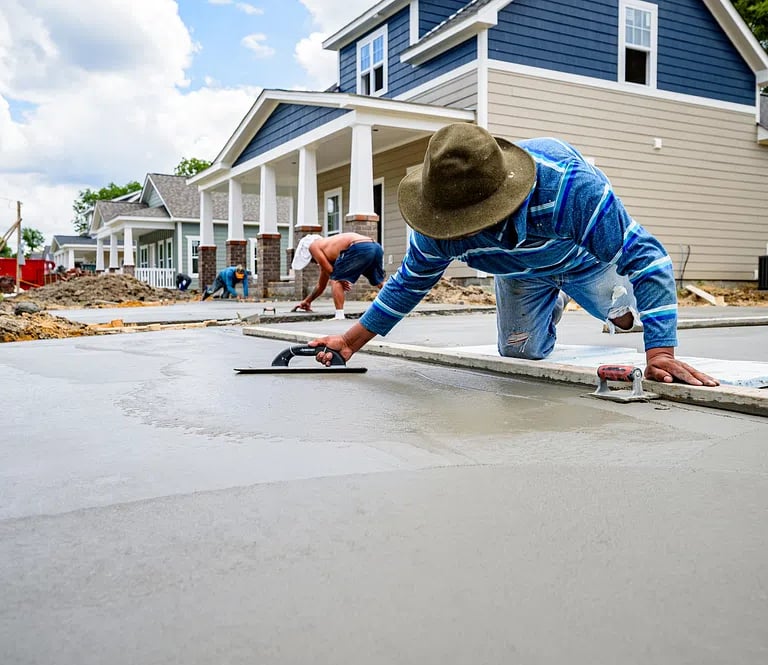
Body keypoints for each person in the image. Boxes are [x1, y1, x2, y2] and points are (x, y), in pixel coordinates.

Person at [309, 123, 719, 387]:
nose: (459, 234)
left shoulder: (570, 189)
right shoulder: (436, 219)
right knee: (521, 352)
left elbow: (648, 258)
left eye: (473, 223)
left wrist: (660, 353)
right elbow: (408, 284)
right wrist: (348, 342)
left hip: (585, 260)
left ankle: (585, 297)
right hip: (520, 274)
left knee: (628, 320)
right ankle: (551, 298)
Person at [292, 232, 385, 319]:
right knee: (380, 282)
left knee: (335, 279)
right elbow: (321, 285)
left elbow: (333, 274)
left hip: (358, 247)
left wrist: (340, 279)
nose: (314, 262)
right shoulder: (329, 248)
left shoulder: (313, 246)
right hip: (375, 246)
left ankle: (339, 315)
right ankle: (394, 303)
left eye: (312, 260)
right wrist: (307, 301)